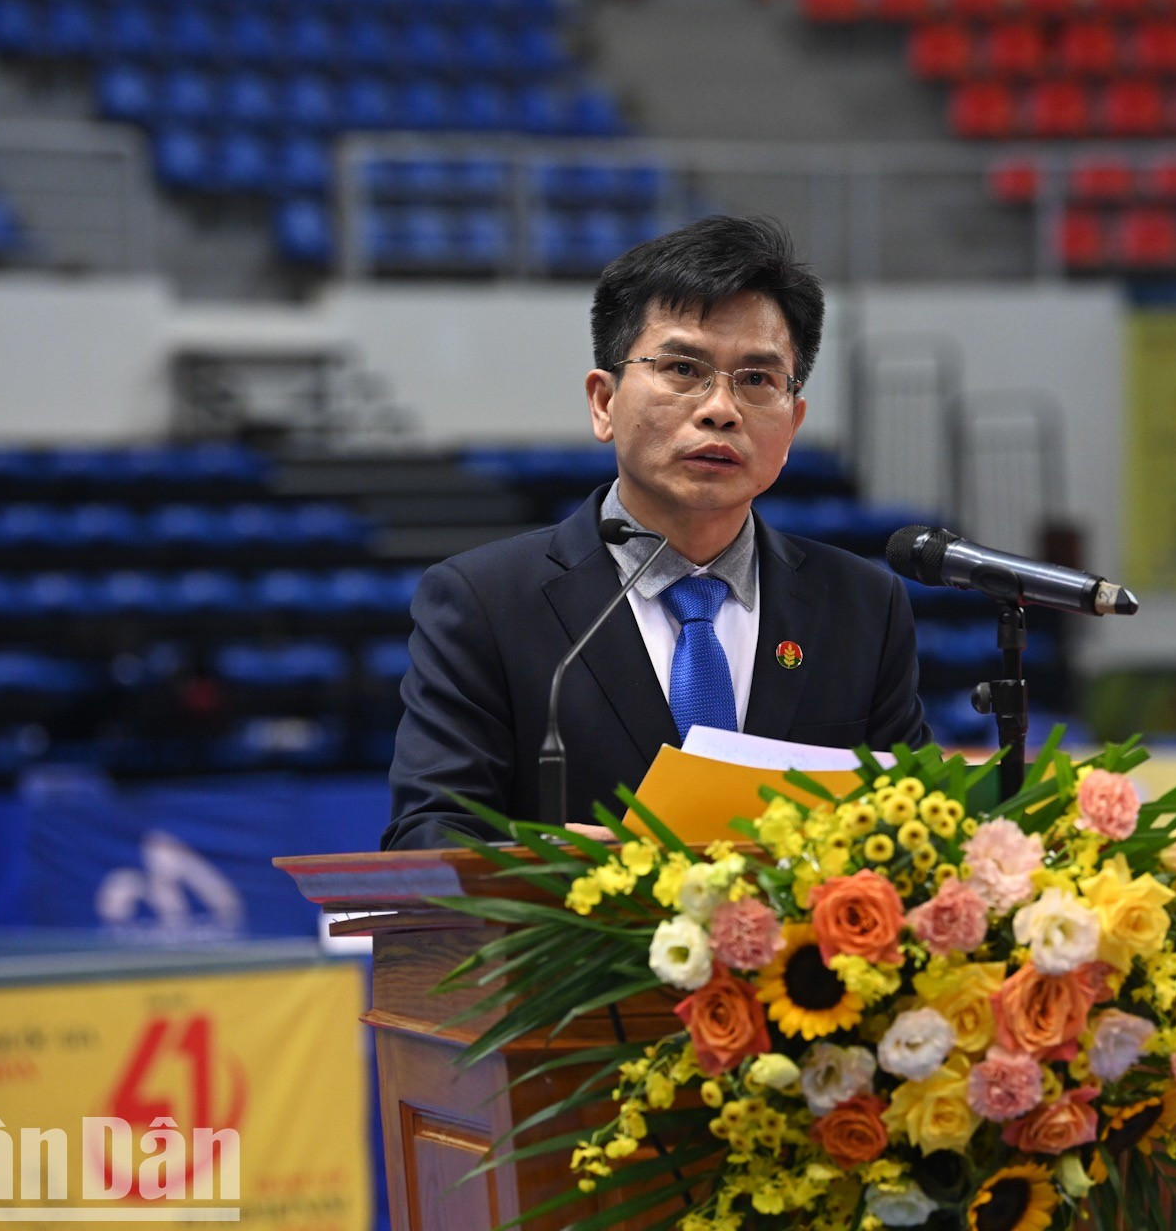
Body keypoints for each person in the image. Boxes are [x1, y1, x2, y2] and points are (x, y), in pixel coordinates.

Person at [383, 216, 930, 850]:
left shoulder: (862, 605)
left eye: (757, 380)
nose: (720, 408)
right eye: (681, 368)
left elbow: (907, 831)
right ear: (603, 402)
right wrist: (563, 869)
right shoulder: (486, 602)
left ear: (794, 421)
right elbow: (427, 837)